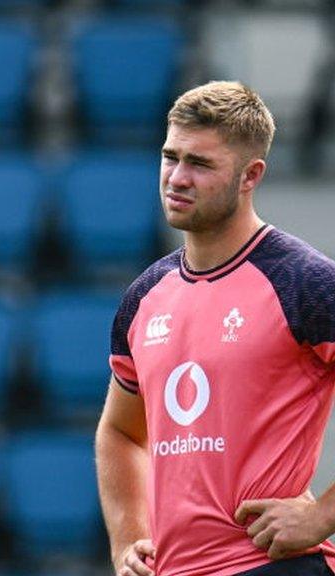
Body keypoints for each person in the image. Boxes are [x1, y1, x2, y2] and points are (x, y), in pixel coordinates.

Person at [97, 80, 335, 576]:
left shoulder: (304, 282)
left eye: (200, 164)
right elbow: (120, 431)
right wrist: (129, 538)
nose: (177, 177)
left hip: (270, 567)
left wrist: (321, 516)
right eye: (170, 156)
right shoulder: (145, 296)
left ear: (250, 176)